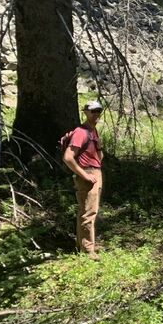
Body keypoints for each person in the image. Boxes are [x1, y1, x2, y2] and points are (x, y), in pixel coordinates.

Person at [62, 100, 105, 260]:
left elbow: (100, 158)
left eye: (98, 111)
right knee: (88, 213)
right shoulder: (81, 131)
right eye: (93, 111)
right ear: (85, 112)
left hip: (95, 172)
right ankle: (87, 250)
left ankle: (87, 244)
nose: (96, 114)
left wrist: (99, 147)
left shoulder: (93, 131)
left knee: (90, 211)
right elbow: (68, 157)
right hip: (87, 174)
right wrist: (85, 175)